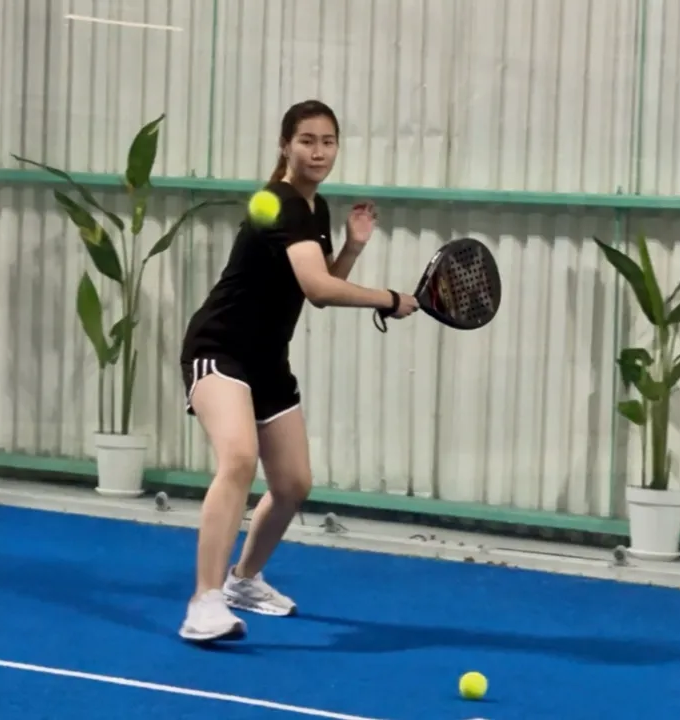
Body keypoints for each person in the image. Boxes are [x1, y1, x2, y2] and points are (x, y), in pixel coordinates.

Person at [178, 99, 419, 643]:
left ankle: (243, 581)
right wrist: (388, 298)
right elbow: (318, 287)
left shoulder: (315, 207)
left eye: (328, 141)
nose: (318, 151)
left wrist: (352, 247)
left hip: (267, 361)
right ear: (285, 145)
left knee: (291, 484)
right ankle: (204, 602)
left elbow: (317, 287)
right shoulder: (281, 202)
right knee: (239, 458)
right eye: (307, 140)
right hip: (219, 348)